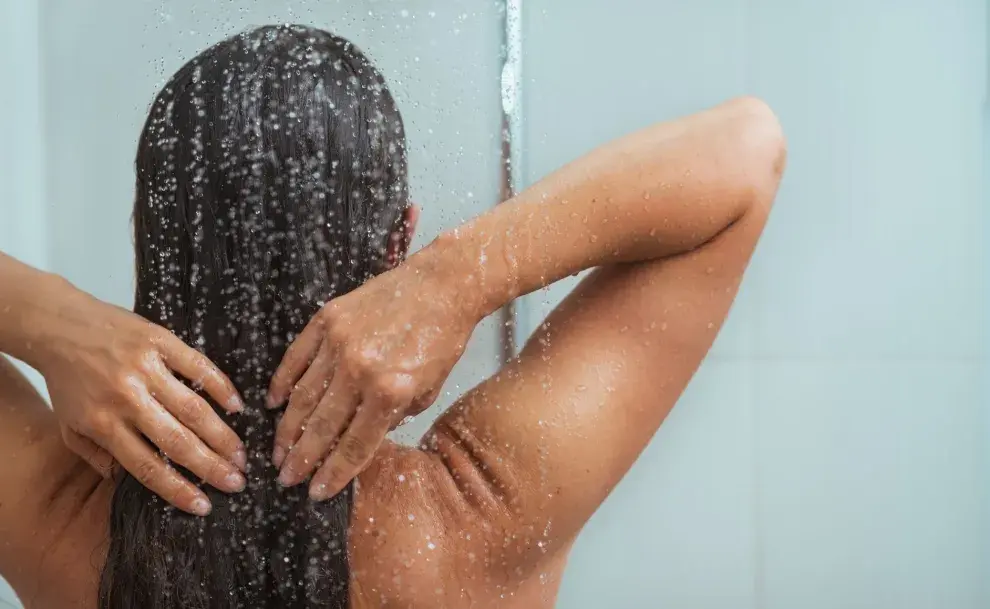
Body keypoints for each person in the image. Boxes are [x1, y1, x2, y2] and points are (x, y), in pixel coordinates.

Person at [0, 24, 785, 609]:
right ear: (396, 241)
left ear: (147, 238)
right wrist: (459, 276)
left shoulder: (62, 527)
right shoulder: (476, 513)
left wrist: (51, 317)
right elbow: (749, 149)